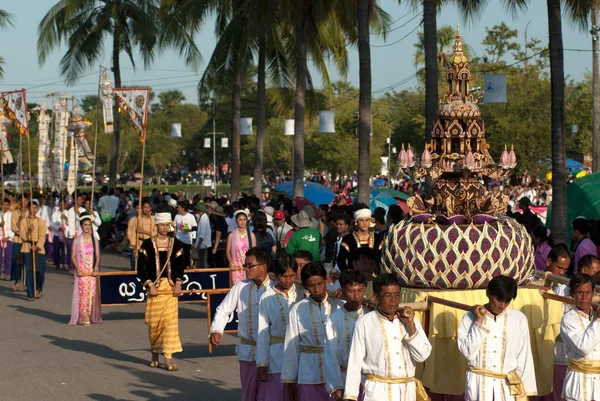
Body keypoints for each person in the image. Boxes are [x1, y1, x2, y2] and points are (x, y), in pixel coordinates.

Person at [343, 273, 431, 401]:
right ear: (376, 297)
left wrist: (411, 325)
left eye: (397, 295)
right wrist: (350, 396)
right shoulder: (364, 323)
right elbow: (354, 362)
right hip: (378, 392)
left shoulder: (410, 320)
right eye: (388, 295)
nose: (393, 300)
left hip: (407, 391)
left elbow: (422, 355)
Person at [457, 275, 537, 400]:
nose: (502, 305)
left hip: (507, 389)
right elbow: (468, 352)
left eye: (507, 301)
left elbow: (524, 356)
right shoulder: (469, 318)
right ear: (488, 293)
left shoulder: (519, 319)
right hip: (478, 385)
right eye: (499, 299)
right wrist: (478, 323)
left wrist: (526, 391)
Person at [210, 247, 275, 401]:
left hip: (273, 353)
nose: (245, 269)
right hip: (248, 352)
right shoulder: (241, 287)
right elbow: (223, 310)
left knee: (270, 394)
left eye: (249, 265)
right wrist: (217, 330)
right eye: (245, 265)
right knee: (248, 394)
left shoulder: (276, 288)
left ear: (263, 267)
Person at [281, 263, 345, 401]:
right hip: (309, 373)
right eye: (311, 286)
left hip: (336, 373)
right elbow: (292, 347)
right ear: (304, 286)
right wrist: (290, 381)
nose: (316, 290)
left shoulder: (340, 305)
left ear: (326, 280)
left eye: (320, 284)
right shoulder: (297, 309)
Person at [137, 206, 186, 371]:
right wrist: (149, 284)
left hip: (171, 290)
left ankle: (168, 360)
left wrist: (178, 283)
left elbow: (180, 266)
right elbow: (141, 268)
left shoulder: (176, 244)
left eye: (167, 225)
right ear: (156, 225)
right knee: (155, 325)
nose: (164, 228)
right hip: (155, 291)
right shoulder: (147, 245)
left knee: (169, 325)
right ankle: (154, 355)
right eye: (161, 225)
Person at [257, 255, 305, 401]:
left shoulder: (302, 293)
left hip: (301, 354)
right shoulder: (266, 297)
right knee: (278, 393)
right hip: (277, 355)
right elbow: (263, 332)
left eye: (292, 276)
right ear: (277, 275)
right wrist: (262, 363)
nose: (288, 280)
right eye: (284, 276)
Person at [324, 270, 368, 400]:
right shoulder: (334, 319)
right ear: (342, 290)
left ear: (365, 289)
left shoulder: (370, 315)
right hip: (345, 378)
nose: (356, 296)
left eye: (360, 291)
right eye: (351, 291)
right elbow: (330, 355)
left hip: (369, 380)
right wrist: (336, 385)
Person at [560, 273, 600, 401]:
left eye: (588, 293)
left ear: (593, 293)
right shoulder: (568, 319)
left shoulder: (596, 315)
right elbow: (583, 347)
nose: (584, 298)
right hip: (578, 382)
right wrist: (598, 321)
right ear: (572, 293)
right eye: (580, 293)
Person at [68, 212, 101, 326]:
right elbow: (72, 256)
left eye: (89, 225)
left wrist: (96, 267)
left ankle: (90, 315)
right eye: (85, 225)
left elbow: (97, 255)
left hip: (91, 271)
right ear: (81, 226)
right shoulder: (77, 240)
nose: (87, 227)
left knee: (91, 295)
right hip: (82, 272)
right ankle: (83, 316)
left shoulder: (94, 239)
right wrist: (78, 268)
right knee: (83, 295)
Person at [20, 201, 47, 300]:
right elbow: (22, 236)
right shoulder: (24, 221)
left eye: (36, 207)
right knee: (29, 271)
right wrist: (29, 231)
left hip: (39, 249)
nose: (34, 209)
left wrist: (38, 246)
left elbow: (43, 236)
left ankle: (38, 288)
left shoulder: (41, 222)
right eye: (32, 207)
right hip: (28, 247)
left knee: (40, 271)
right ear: (28, 208)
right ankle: (30, 294)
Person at [126, 198, 157, 271]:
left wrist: (143, 231)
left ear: (151, 208)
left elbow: (155, 233)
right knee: (135, 265)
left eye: (148, 207)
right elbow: (130, 233)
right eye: (145, 207)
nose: (146, 209)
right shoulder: (134, 220)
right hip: (138, 244)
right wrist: (134, 246)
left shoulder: (154, 219)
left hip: (150, 244)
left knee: (150, 265)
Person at [227, 209, 256, 284]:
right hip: (236, 266)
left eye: (244, 219)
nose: (242, 222)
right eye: (240, 220)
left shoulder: (251, 235)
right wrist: (231, 262)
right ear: (236, 221)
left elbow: (255, 251)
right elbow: (227, 251)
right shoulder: (231, 235)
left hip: (248, 266)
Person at [174, 200, 197, 269]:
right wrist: (174, 236)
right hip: (178, 239)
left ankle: (186, 268)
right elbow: (175, 226)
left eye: (178, 207)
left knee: (186, 256)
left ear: (183, 208)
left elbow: (195, 227)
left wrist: (187, 229)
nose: (177, 209)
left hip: (187, 240)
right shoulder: (177, 216)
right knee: (178, 255)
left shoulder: (191, 216)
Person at [208, 204, 228, 268]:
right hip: (224, 245)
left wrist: (215, 248)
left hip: (219, 247)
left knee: (219, 264)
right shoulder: (223, 221)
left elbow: (218, 235)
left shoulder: (218, 222)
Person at [10, 199, 24, 291]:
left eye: (26, 200)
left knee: (29, 263)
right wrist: (20, 218)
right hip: (18, 240)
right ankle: (17, 280)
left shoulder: (31, 214)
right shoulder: (15, 213)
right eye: (23, 200)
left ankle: (28, 283)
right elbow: (14, 228)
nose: (25, 202)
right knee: (16, 260)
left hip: (29, 242)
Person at [51, 198, 67, 270]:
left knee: (64, 250)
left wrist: (66, 218)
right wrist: (59, 228)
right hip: (57, 234)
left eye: (63, 204)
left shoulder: (67, 213)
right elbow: (53, 224)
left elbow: (71, 223)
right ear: (59, 205)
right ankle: (57, 263)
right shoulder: (55, 213)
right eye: (60, 205)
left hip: (65, 234)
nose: (62, 206)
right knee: (56, 250)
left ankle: (64, 263)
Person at [194, 202, 211, 268]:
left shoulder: (204, 220)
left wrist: (198, 246)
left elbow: (202, 236)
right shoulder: (203, 217)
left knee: (202, 262)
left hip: (203, 245)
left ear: (199, 211)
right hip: (203, 245)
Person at [0, 198, 13, 280]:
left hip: (9, 238)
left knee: (8, 257)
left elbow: (13, 227)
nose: (5, 206)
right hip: (0, 237)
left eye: (7, 205)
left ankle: (7, 273)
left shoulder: (11, 215)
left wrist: (8, 237)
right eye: (4, 204)